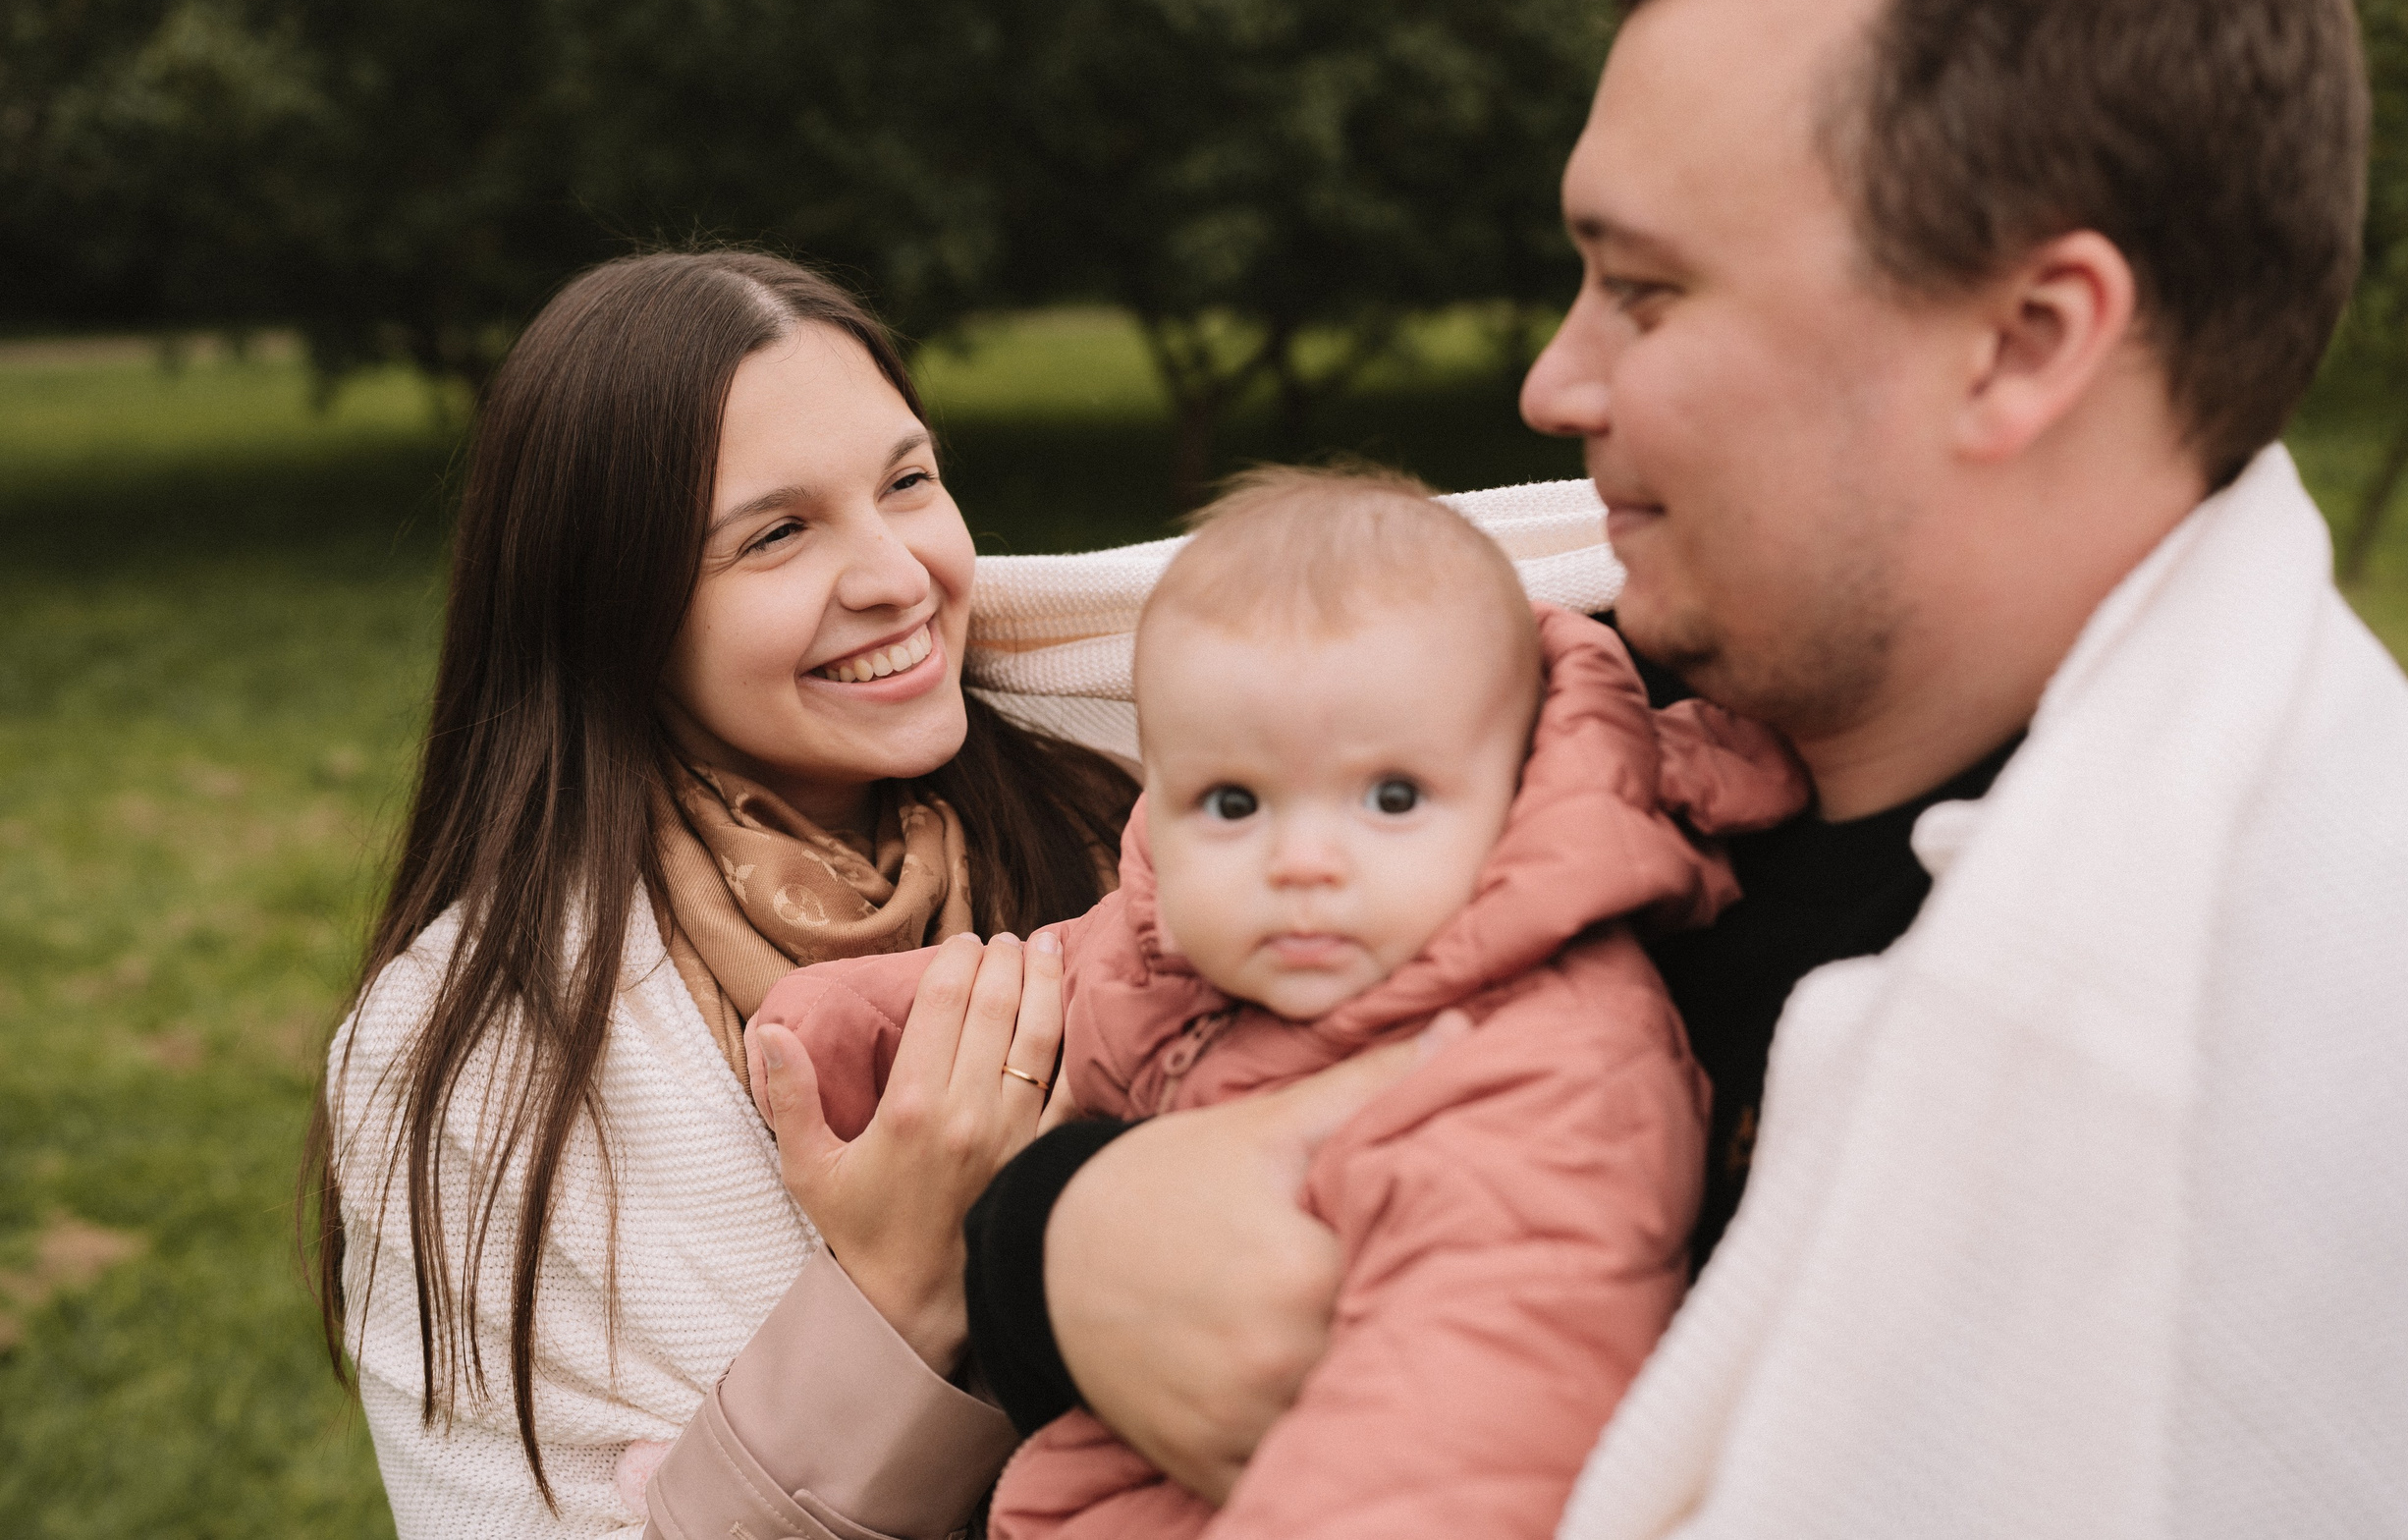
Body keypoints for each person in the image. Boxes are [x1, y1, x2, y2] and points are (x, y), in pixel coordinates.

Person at [958, 0, 2408, 1533]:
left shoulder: (2226, 1082)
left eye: (1645, 288)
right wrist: (1060, 1235)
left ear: (2027, 340)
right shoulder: (1539, 704)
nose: (1553, 380)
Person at [749, 468, 1806, 1539]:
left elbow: (1464, 1442)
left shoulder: (1545, 1064)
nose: (1302, 860)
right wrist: (848, 1028)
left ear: (1517, 784)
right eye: (1235, 801)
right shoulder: (1181, 941)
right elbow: (1049, 979)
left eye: (1391, 798)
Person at [313, 248, 1140, 1539]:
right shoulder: (471, 1056)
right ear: (615, 615)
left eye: (908, 480)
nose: (897, 574)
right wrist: (892, 1293)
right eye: (776, 532)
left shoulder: (1142, 827)